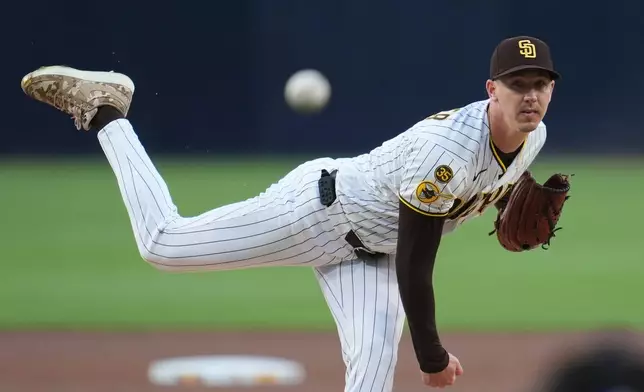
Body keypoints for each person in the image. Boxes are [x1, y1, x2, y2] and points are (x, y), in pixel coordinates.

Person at [20, 35, 560, 390]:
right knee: (162, 243)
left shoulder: (531, 139)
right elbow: (417, 265)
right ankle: (108, 110)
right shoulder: (447, 153)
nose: (530, 96)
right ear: (492, 90)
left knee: (371, 373)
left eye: (540, 84)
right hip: (319, 213)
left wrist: (514, 199)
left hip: (371, 252)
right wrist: (433, 356)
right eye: (518, 85)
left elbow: (495, 177)